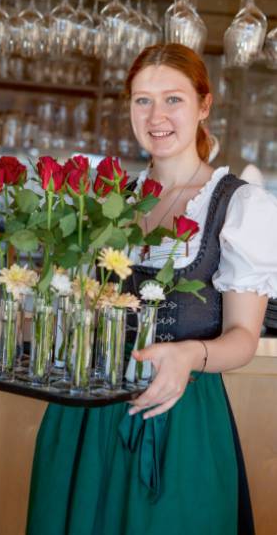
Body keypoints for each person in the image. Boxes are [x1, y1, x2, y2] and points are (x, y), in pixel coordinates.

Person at [27, 43, 277, 535]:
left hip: (178, 417)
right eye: (142, 100)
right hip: (85, 416)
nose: (156, 115)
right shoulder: (106, 197)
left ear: (204, 105)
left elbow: (243, 338)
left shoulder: (241, 206)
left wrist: (187, 356)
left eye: (173, 99)